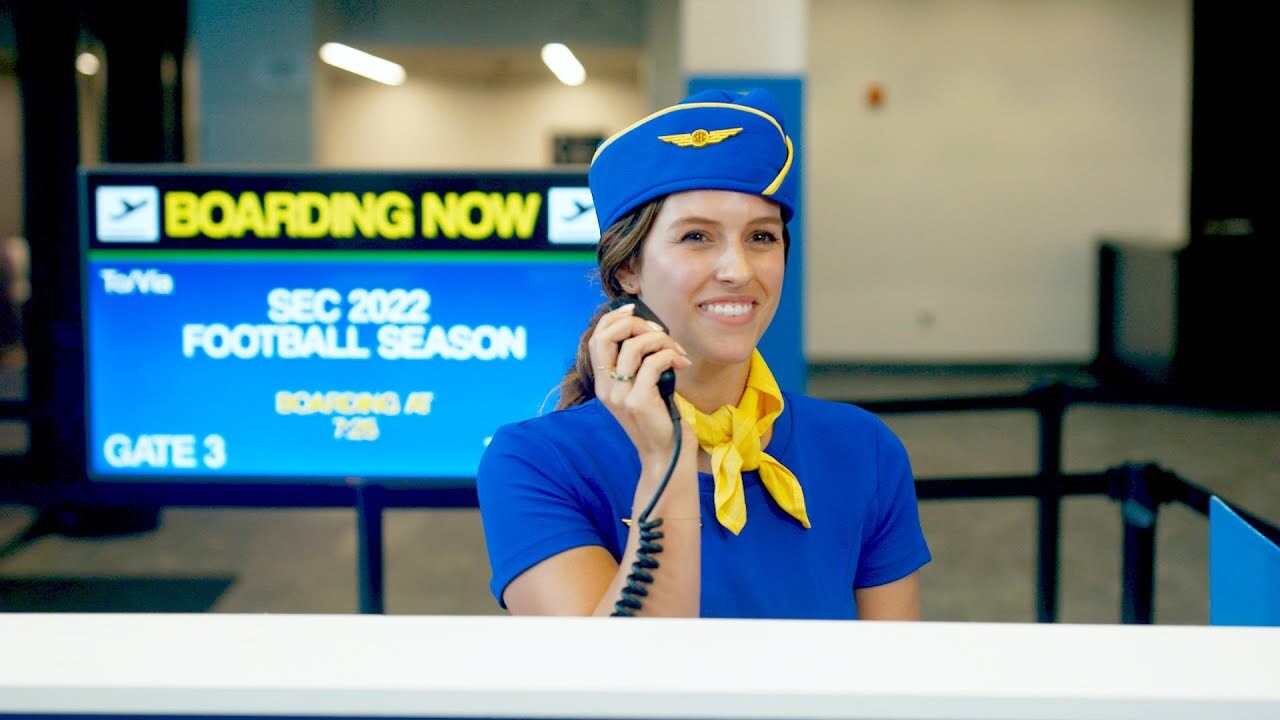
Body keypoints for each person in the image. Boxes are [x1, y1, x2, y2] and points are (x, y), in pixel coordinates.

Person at [477, 88, 930, 619]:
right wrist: (662, 462)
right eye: (696, 237)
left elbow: (888, 686)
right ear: (628, 269)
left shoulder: (862, 450)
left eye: (761, 237)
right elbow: (611, 686)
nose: (738, 270)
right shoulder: (538, 464)